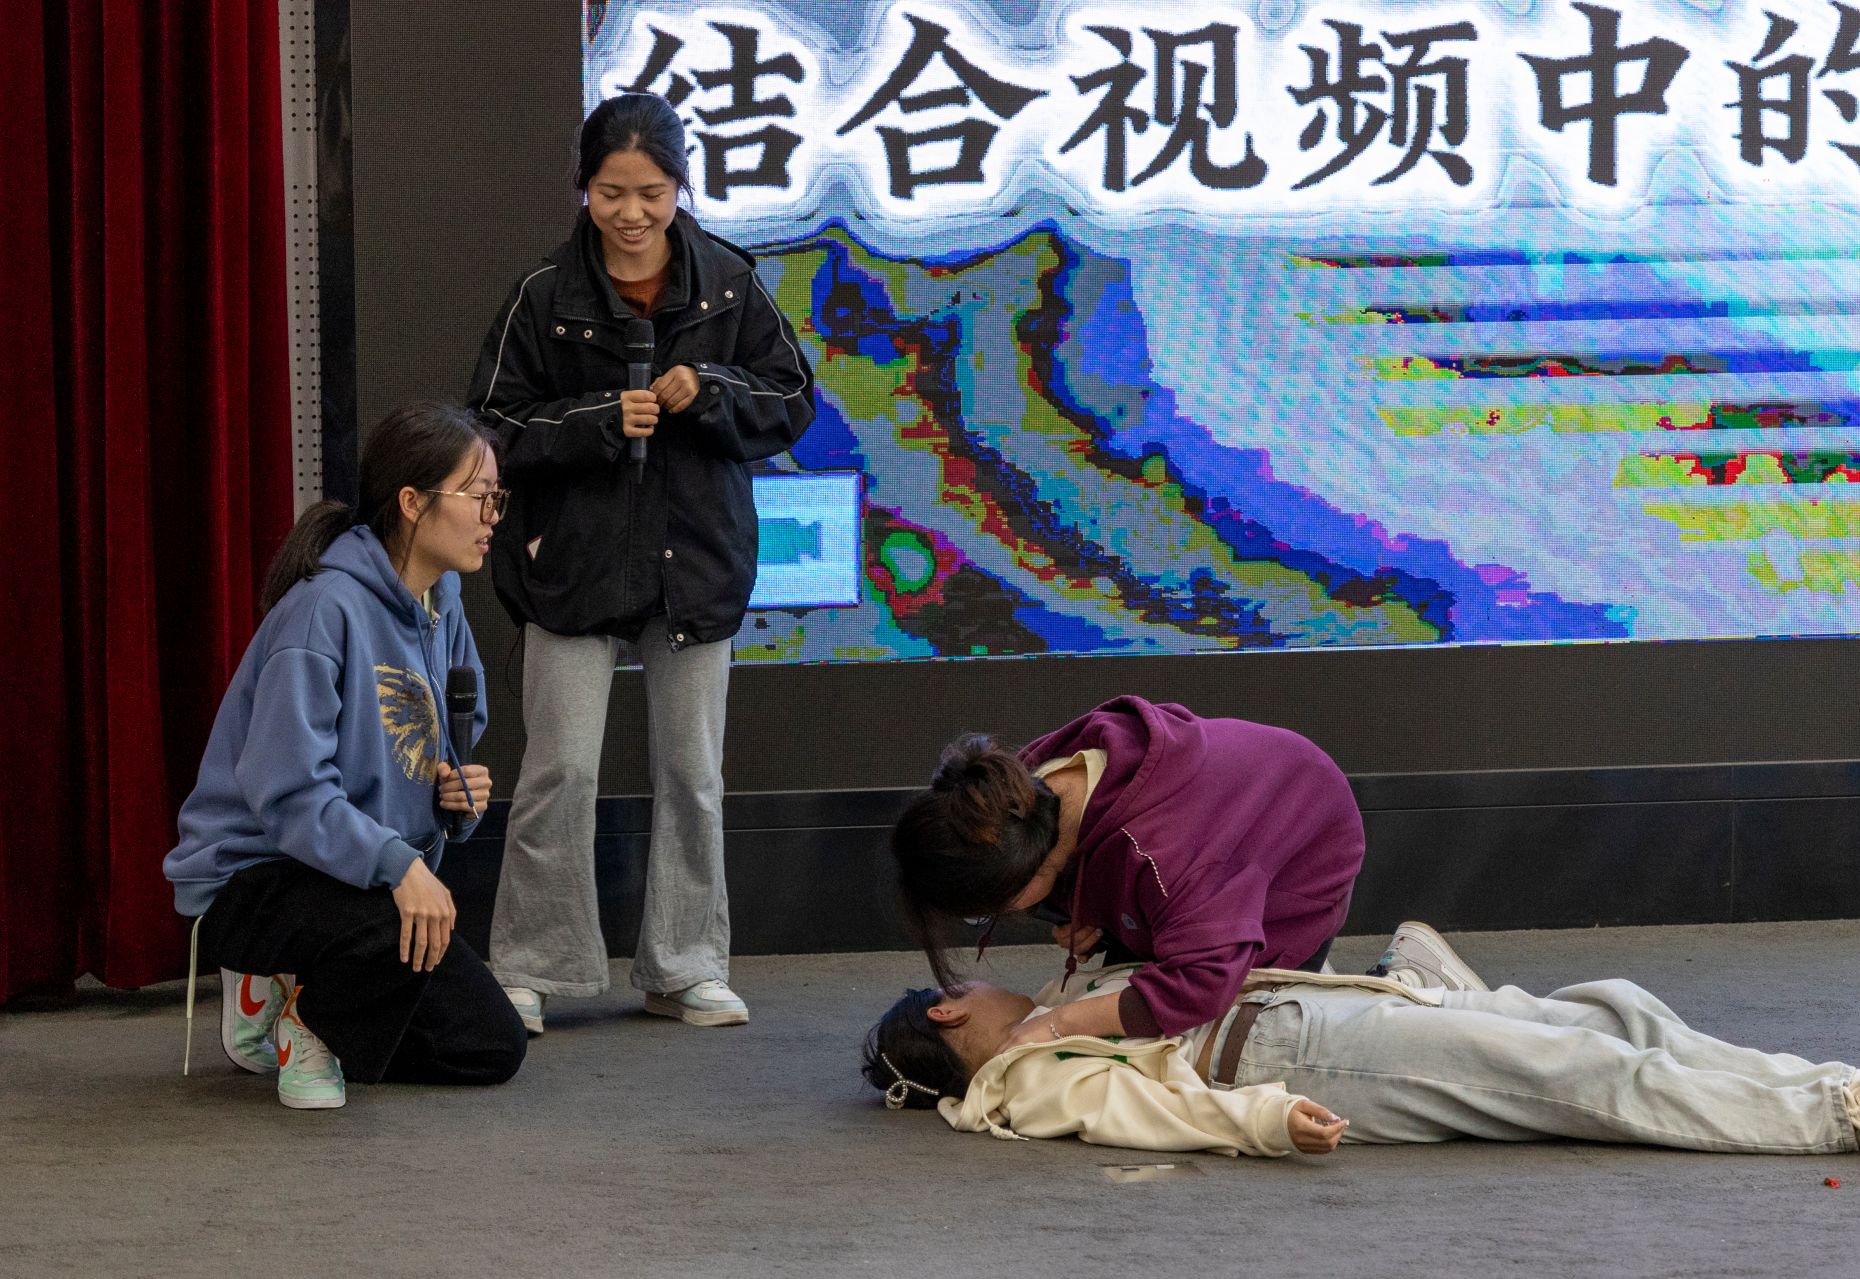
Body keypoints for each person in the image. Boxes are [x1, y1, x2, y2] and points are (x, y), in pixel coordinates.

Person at [467, 93, 815, 1036]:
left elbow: (792, 400)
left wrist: (713, 389)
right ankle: (532, 966)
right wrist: (593, 420)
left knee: (693, 774)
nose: (631, 213)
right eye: (611, 192)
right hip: (571, 567)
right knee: (559, 771)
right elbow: (488, 429)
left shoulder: (730, 284)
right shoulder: (544, 294)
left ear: (679, 188)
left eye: (651, 193)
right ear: (583, 187)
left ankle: (687, 965)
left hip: (694, 562)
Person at [861, 922, 1860, 1157]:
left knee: (1608, 1014)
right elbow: (1145, 1108)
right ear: (950, 1013)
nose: (987, 977)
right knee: (1577, 1072)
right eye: (967, 981)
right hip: (1286, 1057)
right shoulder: (1024, 1081)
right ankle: (1846, 1114)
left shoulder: (1054, 1013)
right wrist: (1265, 1120)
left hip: (1318, 1015)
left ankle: (1838, 1076)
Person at [164, 402, 526, 1110]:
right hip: (255, 876)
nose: (492, 516)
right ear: (413, 503)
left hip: (360, 880)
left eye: (497, 498)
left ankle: (306, 992)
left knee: (490, 1045)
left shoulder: (444, 605)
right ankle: (303, 1020)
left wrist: (455, 799)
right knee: (397, 924)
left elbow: (435, 754)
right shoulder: (322, 609)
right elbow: (290, 793)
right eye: (479, 496)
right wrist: (401, 866)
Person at [893, 696, 1365, 1053]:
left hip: (1298, 873)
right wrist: (1093, 911)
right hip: (1212, 848)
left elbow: (1200, 986)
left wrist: (1058, 1024)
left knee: (1213, 1038)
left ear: (1026, 874)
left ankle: (1371, 985)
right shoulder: (1011, 791)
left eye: (987, 912)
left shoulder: (1167, 859)